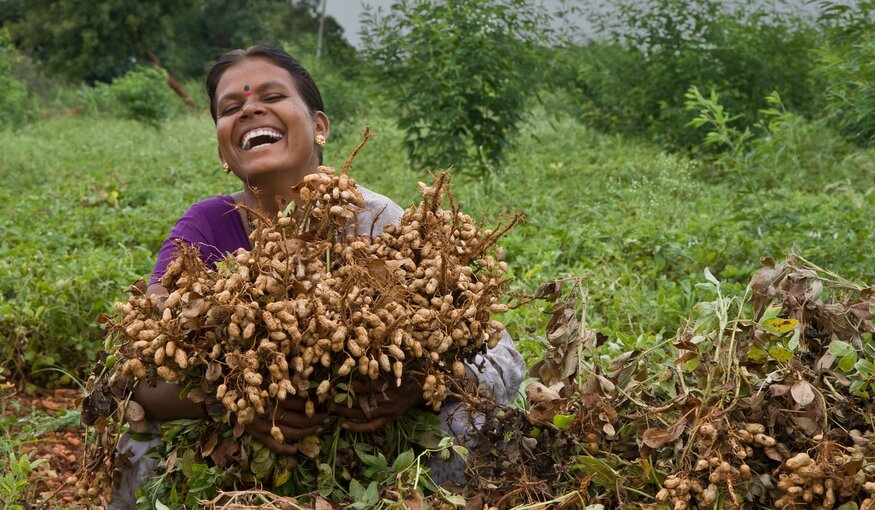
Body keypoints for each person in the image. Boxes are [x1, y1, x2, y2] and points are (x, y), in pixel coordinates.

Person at [111, 45, 524, 509]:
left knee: (463, 422)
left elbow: (503, 363)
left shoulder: (377, 222)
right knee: (137, 445)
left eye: (272, 95)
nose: (250, 107)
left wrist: (417, 382)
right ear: (223, 147)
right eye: (231, 108)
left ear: (320, 127)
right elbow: (135, 374)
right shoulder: (204, 230)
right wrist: (236, 402)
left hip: (375, 453)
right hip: (244, 452)